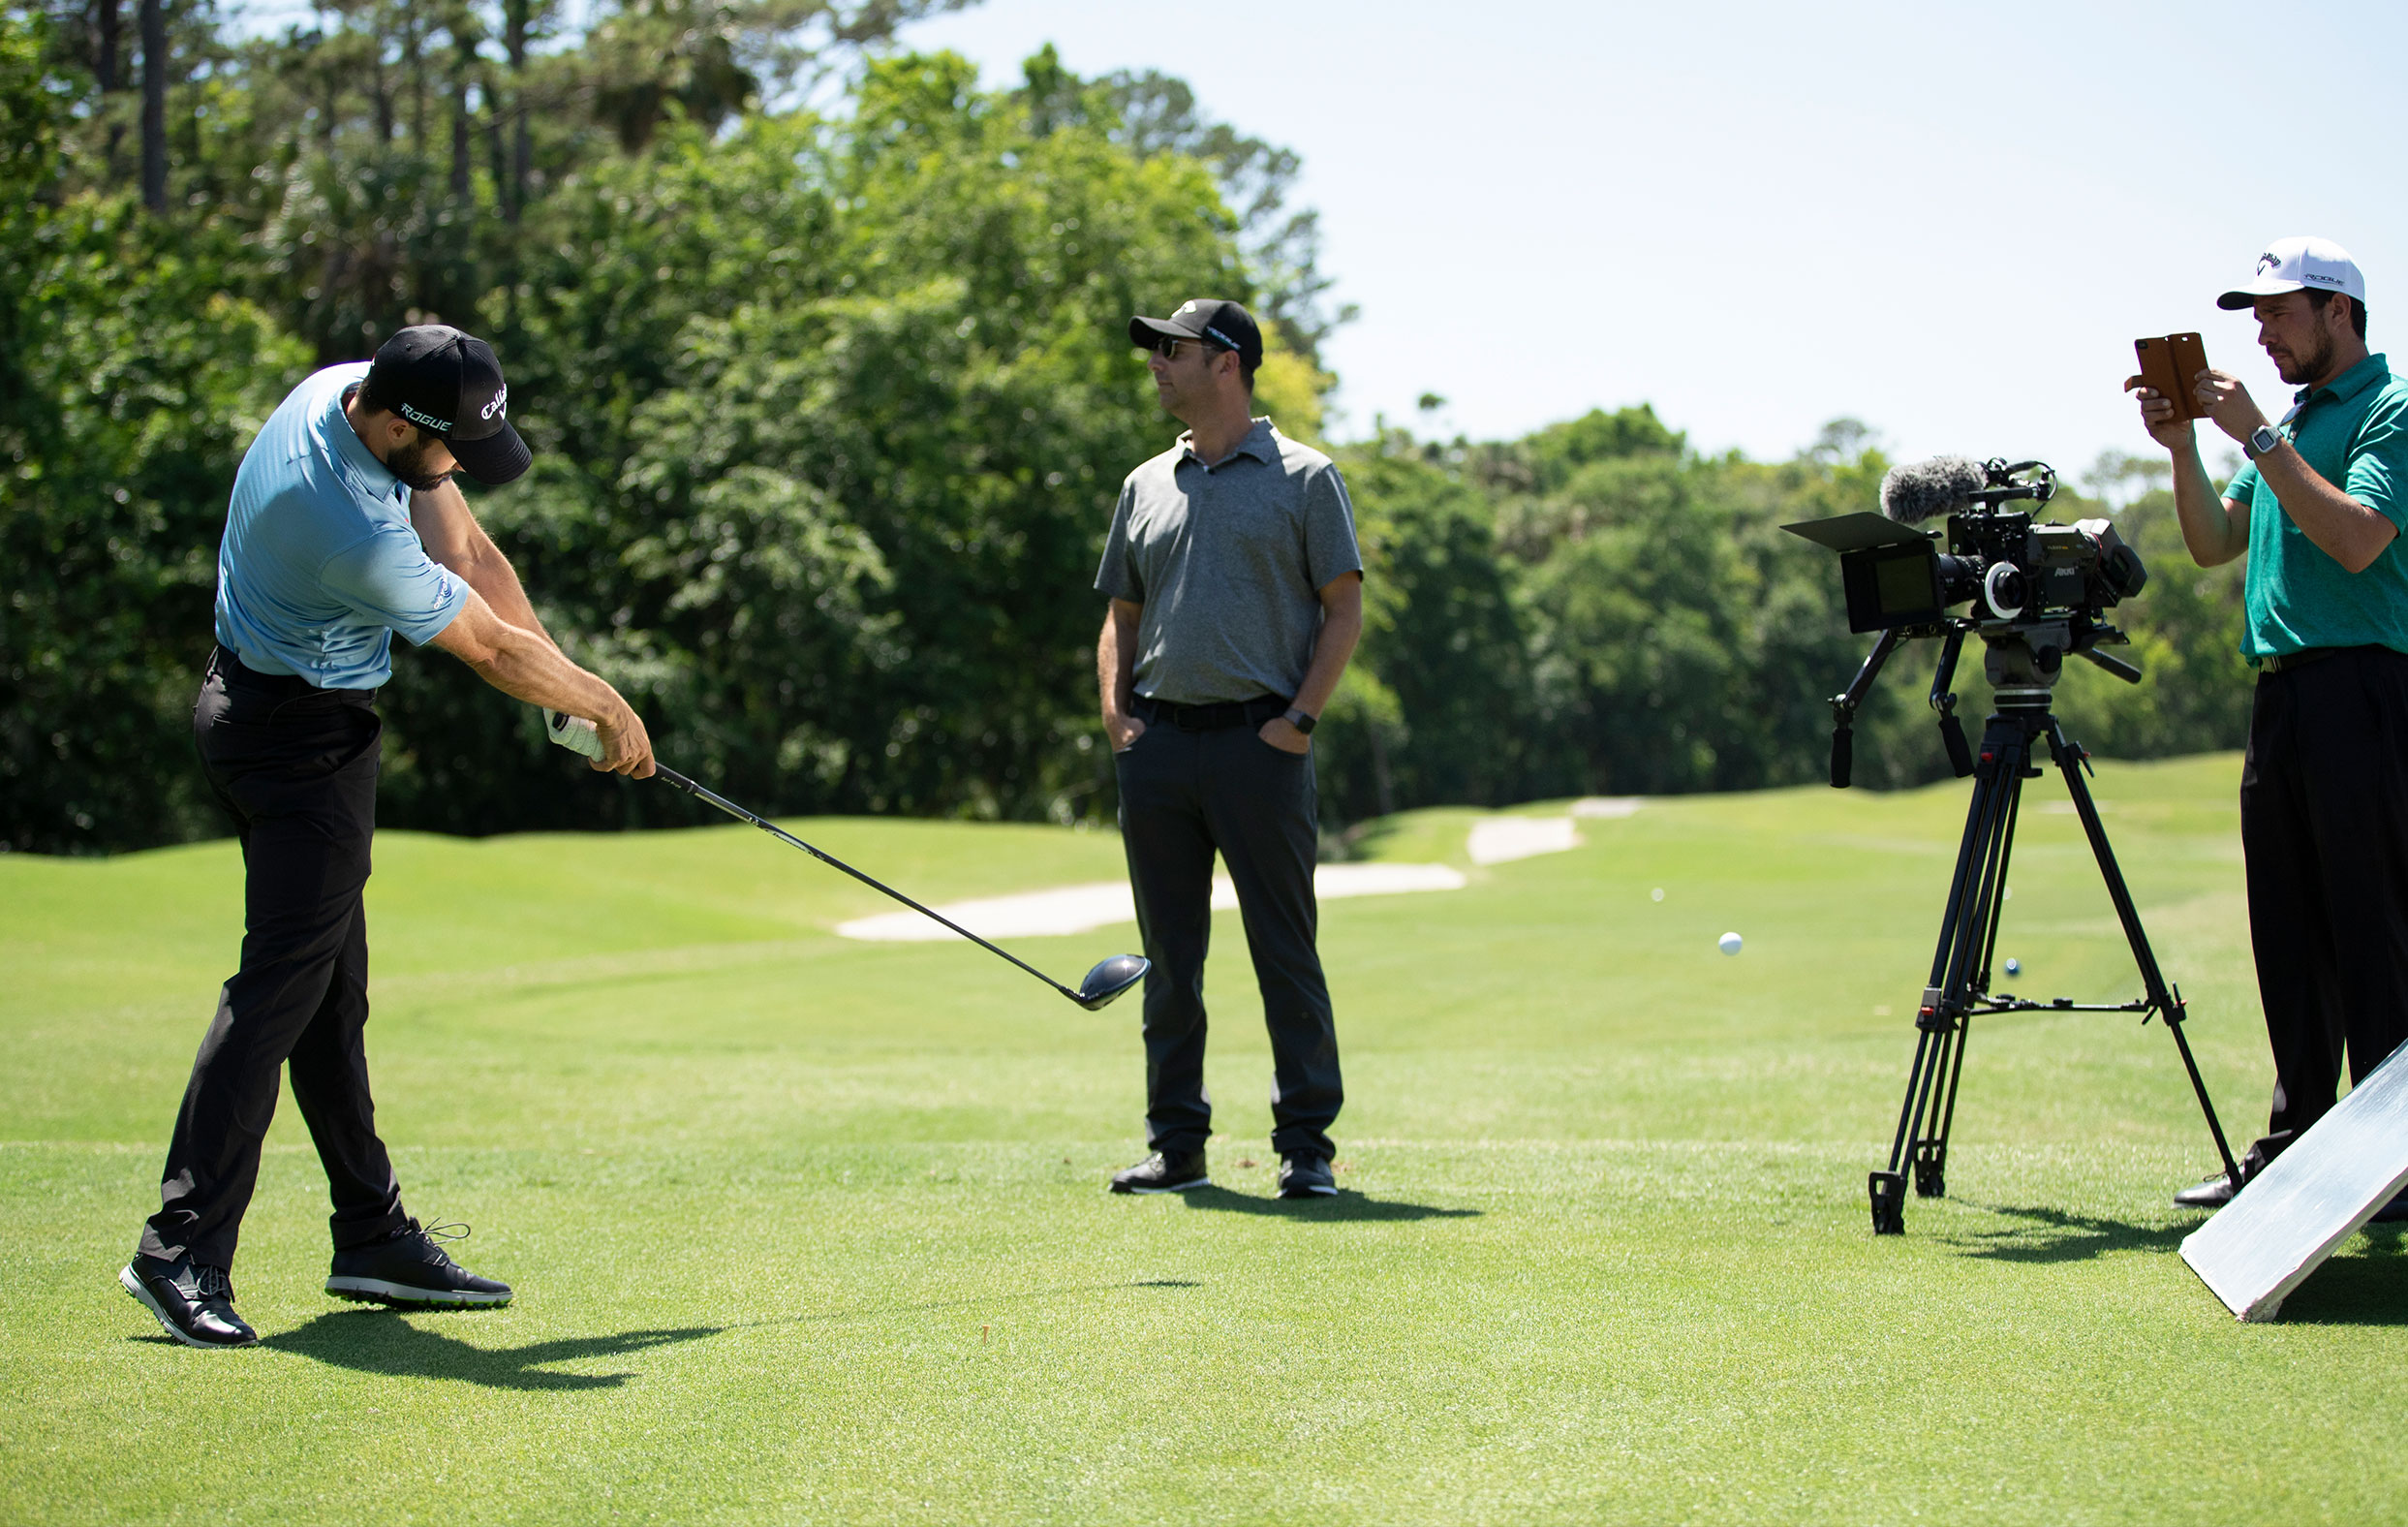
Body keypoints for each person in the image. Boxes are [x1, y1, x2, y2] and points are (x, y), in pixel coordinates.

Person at [122, 326, 658, 1348]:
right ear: (406, 427)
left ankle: (368, 1233)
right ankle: (177, 1249)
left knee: (328, 992)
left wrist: (575, 689)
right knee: (278, 991)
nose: (461, 467)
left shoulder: (351, 396)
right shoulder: (340, 525)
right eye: (455, 449)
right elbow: (488, 649)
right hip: (296, 743)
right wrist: (607, 708)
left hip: (276, 717)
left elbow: (468, 553)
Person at [2129, 236, 2408, 1214]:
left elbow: (2358, 540)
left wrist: (2253, 435)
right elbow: (2211, 543)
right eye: (2254, 313)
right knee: (2285, 927)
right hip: (2282, 695)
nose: (2260, 331)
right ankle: (2293, 1144)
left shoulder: (2387, 410)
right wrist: (2180, 449)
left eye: (2279, 311)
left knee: (2369, 926)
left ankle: (2389, 1162)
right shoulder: (2288, 422)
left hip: (2366, 690)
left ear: (2338, 312)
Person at [1094, 298, 1365, 1200]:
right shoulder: (1145, 484)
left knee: (1284, 950)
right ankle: (1178, 1144)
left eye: (1171, 351)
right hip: (1160, 746)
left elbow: (1343, 609)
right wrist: (1116, 717)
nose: (1155, 366)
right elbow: (1119, 616)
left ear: (1226, 362)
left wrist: (1299, 723)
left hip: (1261, 747)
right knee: (1169, 959)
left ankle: (1307, 1150)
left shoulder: (1304, 477)